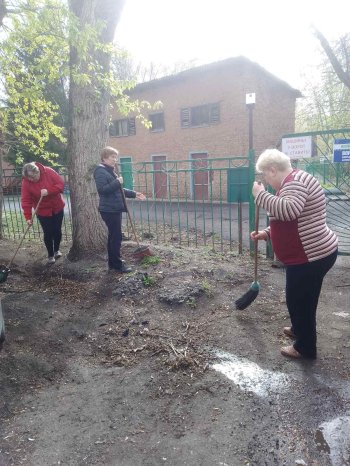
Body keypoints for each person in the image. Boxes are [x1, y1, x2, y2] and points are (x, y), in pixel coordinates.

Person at [251, 149, 338, 360]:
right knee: (300, 299)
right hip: (311, 255)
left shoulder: (294, 182)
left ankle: (305, 347)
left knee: (301, 301)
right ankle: (300, 329)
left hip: (310, 257)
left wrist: (261, 195)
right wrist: (268, 233)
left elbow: (289, 210)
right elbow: (296, 221)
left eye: (265, 175)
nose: (267, 181)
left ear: (273, 169)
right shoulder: (295, 180)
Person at [94, 146, 146, 273]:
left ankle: (113, 263)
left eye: (115, 157)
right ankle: (117, 265)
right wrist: (117, 182)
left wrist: (134, 194)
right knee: (116, 238)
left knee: (113, 237)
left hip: (114, 209)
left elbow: (119, 190)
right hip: (109, 210)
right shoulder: (100, 171)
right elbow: (102, 190)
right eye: (112, 157)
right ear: (104, 158)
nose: (115, 160)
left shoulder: (109, 170)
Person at [21, 162, 65, 264]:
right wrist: (28, 217)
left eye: (34, 176)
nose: (32, 179)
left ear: (38, 171)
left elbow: (60, 184)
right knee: (48, 232)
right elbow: (26, 200)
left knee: (57, 230)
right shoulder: (26, 183)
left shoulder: (49, 172)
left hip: (57, 207)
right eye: (29, 178)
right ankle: (50, 255)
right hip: (42, 211)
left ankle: (56, 250)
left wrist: (49, 191)